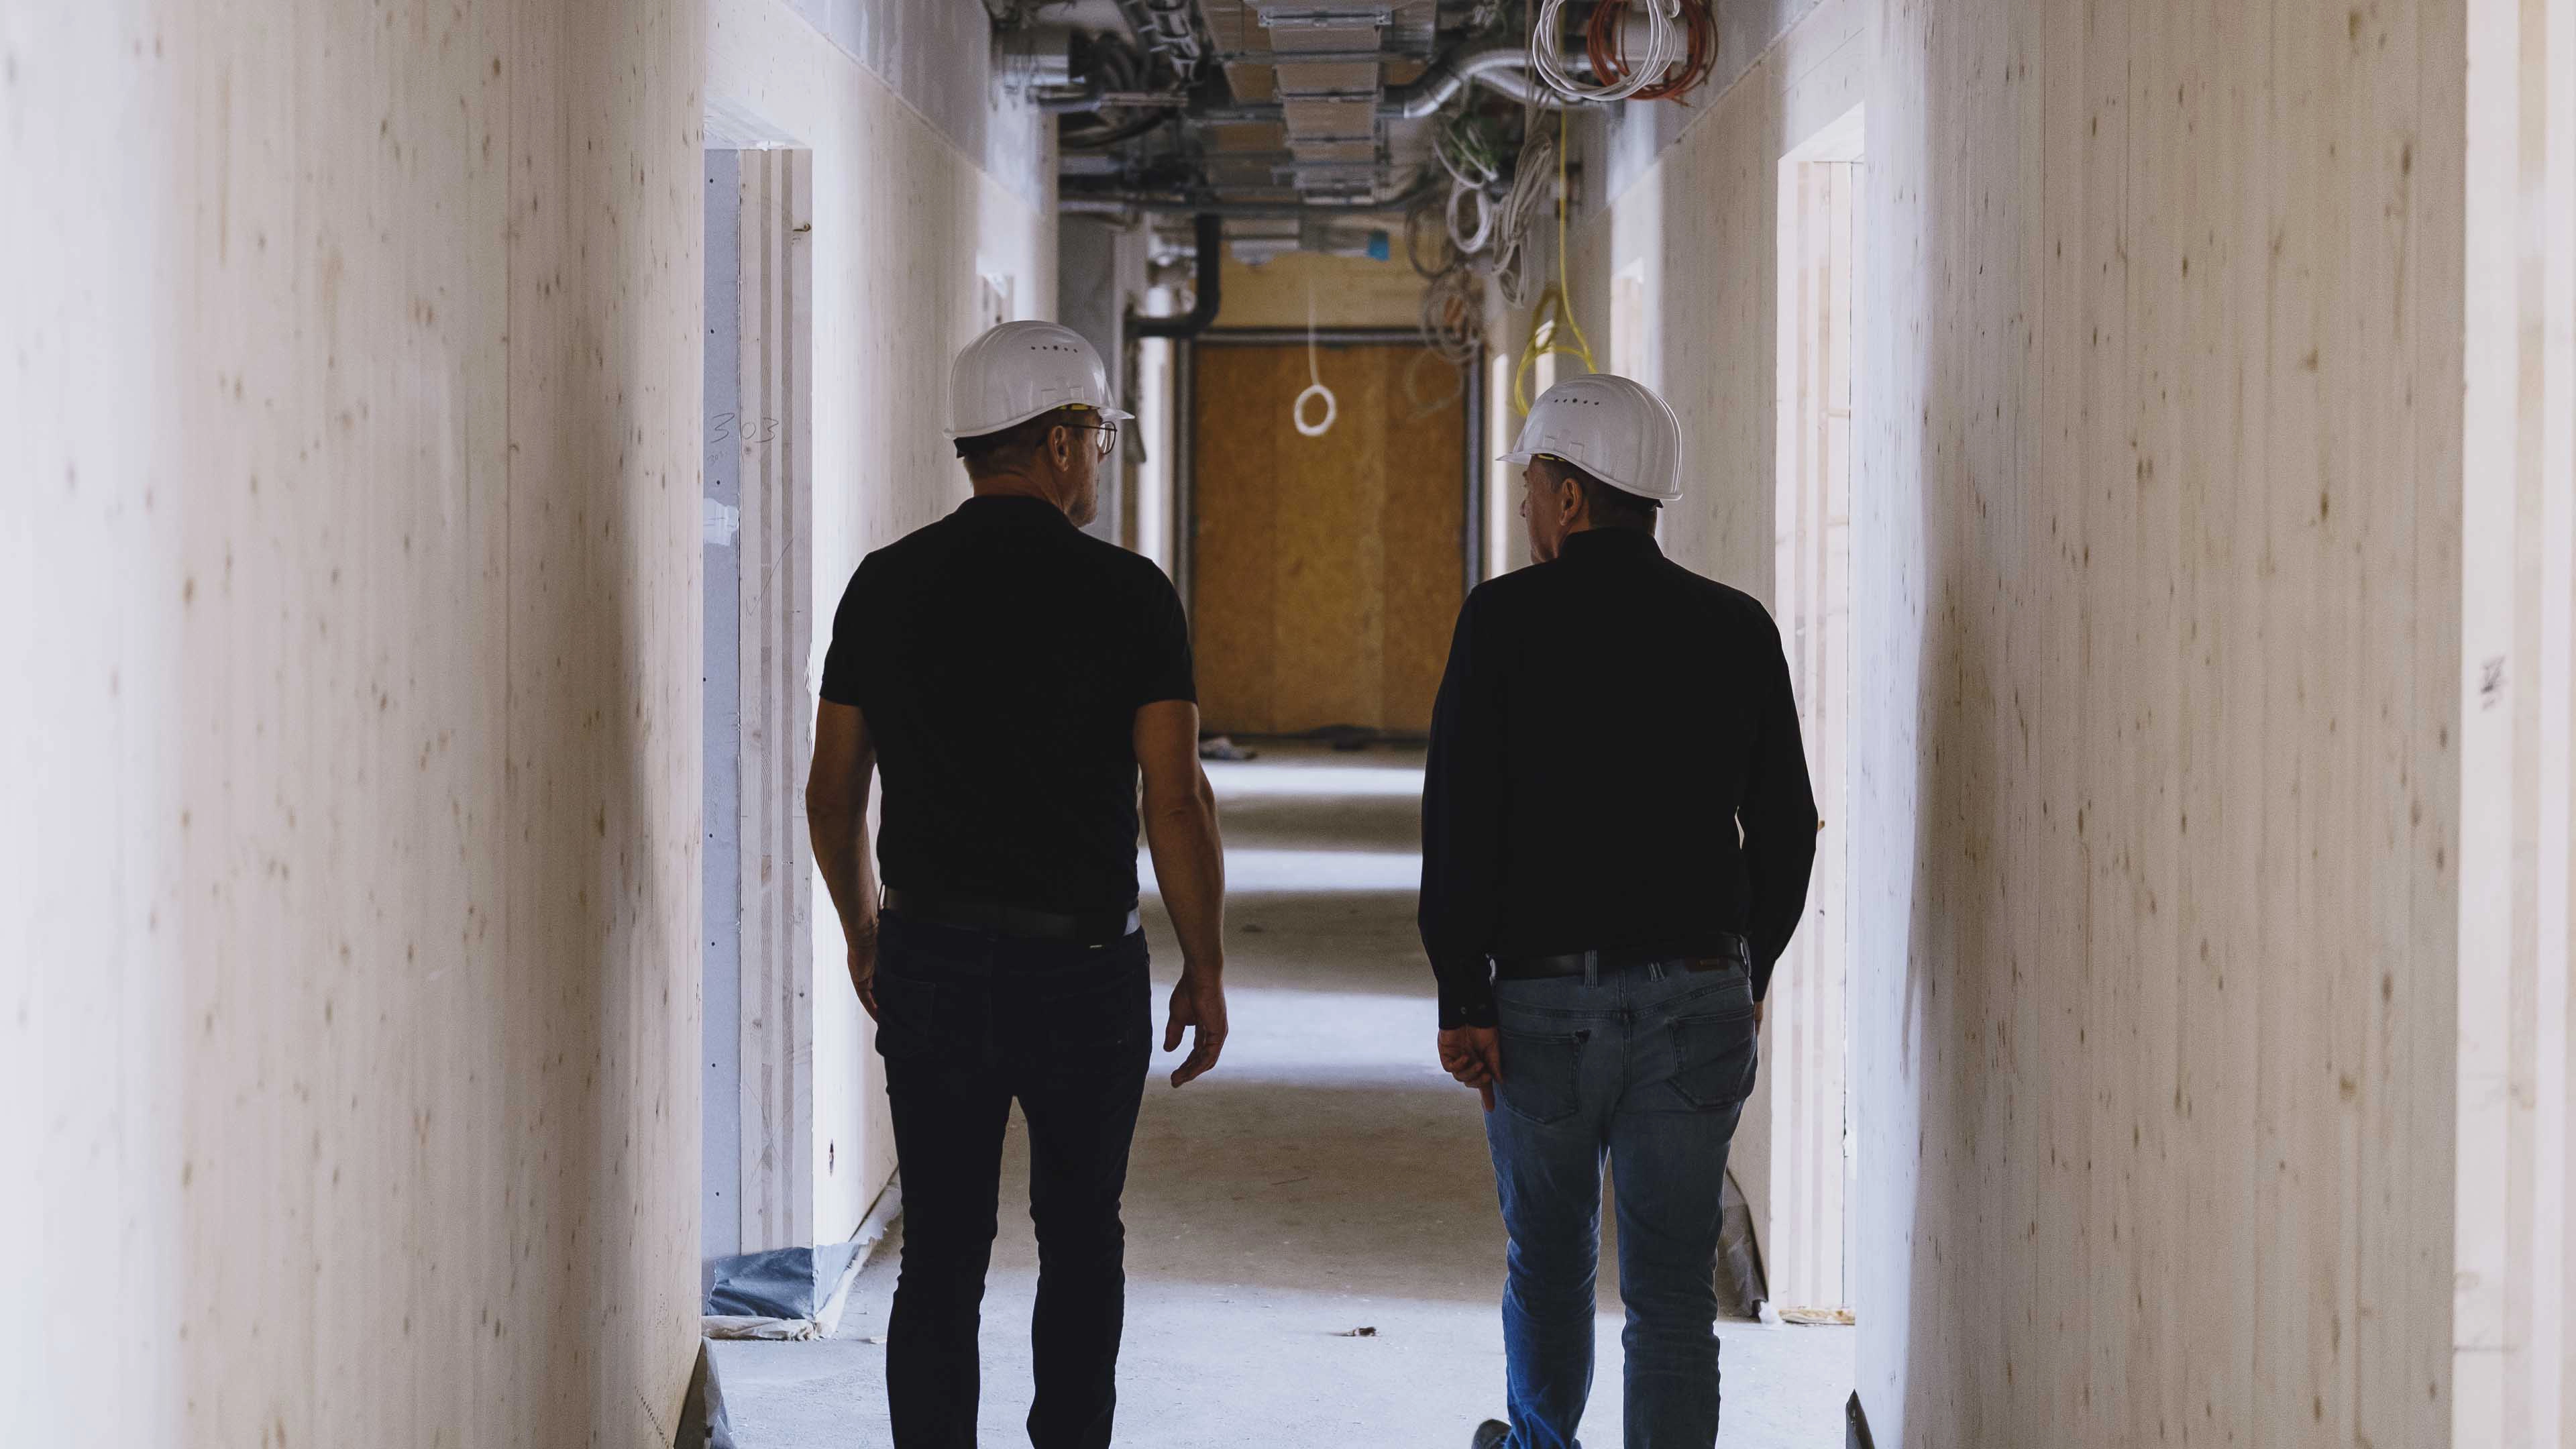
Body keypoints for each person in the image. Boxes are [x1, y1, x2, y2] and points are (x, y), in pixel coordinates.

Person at [804, 320, 1230, 1449]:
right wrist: (1207, 961)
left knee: (940, 1250)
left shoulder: (885, 585)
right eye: (1098, 437)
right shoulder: (1131, 594)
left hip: (932, 960)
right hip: (1082, 972)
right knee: (1083, 1237)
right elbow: (1175, 798)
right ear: (1057, 442)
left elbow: (831, 792)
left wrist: (865, 931)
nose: (1100, 459)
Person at [1418, 373, 1819, 1449]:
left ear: (1572, 497)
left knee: (1547, 1266)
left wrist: (1463, 991)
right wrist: (1751, 976)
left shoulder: (1501, 621)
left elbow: (1458, 819)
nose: (1523, 507)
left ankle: (1544, 1444)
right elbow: (1786, 828)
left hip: (1543, 1005)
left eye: (1532, 484)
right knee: (1673, 1290)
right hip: (1697, 996)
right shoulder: (1736, 628)